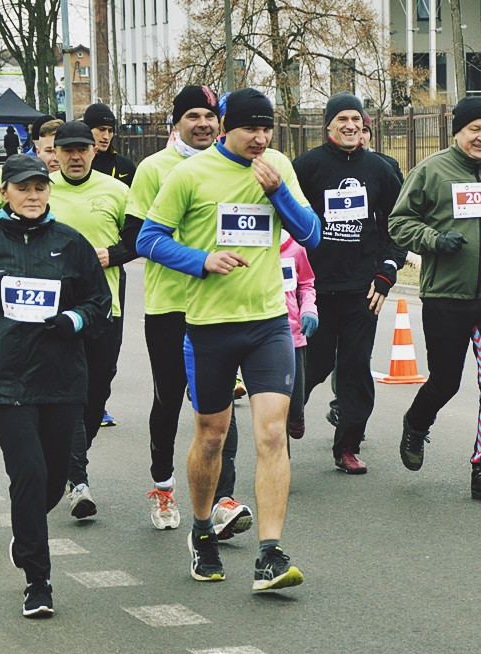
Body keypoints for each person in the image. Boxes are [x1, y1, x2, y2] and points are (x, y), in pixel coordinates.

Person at [137, 87, 320, 591]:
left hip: (267, 325)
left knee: (269, 434)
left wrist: (279, 191)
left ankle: (270, 553)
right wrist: (201, 260)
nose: (260, 139)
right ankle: (201, 531)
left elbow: (312, 235)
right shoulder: (190, 174)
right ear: (224, 127)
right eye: (250, 129)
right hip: (210, 326)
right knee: (212, 436)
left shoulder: (277, 165)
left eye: (267, 129)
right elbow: (148, 239)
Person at [0, 154, 111, 617]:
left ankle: (26, 535)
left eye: (39, 188)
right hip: (0, 380)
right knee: (26, 471)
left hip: (60, 377)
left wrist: (73, 319)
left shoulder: (71, 243)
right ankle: (38, 580)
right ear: (4, 192)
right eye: (22, 188)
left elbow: (99, 302)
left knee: (47, 482)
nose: (32, 196)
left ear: (49, 192)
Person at [388, 95, 481, 502]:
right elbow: (399, 223)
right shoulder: (432, 171)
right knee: (446, 381)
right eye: (474, 128)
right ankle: (416, 423)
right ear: (457, 131)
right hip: (445, 296)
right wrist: (434, 240)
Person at [120, 85, 254, 535]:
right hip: (170, 306)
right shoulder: (154, 168)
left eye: (210, 116)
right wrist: (198, 261)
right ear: (175, 122)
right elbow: (141, 240)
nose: (203, 124)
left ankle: (224, 500)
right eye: (192, 116)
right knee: (169, 398)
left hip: (220, 306)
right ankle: (162, 485)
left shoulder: (233, 165)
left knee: (216, 405)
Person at [292, 92, 405, 474]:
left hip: (363, 289)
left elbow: (398, 227)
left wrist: (386, 273)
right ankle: (291, 412)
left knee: (355, 368)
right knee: (316, 364)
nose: (351, 126)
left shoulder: (380, 170)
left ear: (365, 126)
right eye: (342, 119)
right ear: (328, 125)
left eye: (357, 120)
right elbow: (287, 222)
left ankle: (348, 445)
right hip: (316, 290)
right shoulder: (307, 167)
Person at [48, 120, 132, 520]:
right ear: (56, 153)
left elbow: (139, 241)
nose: (75, 156)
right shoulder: (42, 191)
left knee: (97, 393)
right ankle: (78, 479)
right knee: (72, 390)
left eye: (82, 148)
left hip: (106, 309)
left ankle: (71, 459)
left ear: (94, 151)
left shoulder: (116, 191)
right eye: (67, 150)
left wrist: (110, 256)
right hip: (57, 314)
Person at [82, 102, 134, 428]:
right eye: (99, 129)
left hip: (112, 268)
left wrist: (113, 255)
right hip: (73, 274)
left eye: (110, 129)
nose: (105, 135)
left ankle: (98, 401)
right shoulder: (70, 169)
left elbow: (138, 229)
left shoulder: (124, 166)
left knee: (107, 354)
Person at [279, 228, 317, 449]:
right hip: (261, 335)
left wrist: (309, 309)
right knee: (274, 412)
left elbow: (306, 283)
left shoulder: (295, 247)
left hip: (293, 335)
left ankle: (297, 412)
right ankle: (279, 471)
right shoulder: (246, 246)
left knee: (294, 402)